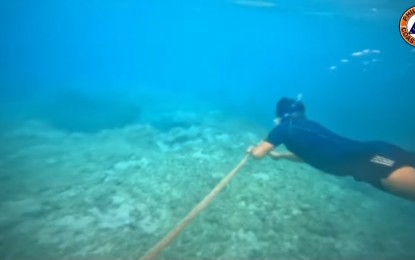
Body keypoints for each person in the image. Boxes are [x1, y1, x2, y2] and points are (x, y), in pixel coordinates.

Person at [247, 96, 415, 201]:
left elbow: (258, 154)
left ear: (280, 116)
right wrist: (280, 156)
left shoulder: (283, 128)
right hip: (376, 154)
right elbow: (308, 155)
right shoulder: (309, 125)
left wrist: (253, 149)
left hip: (372, 161)